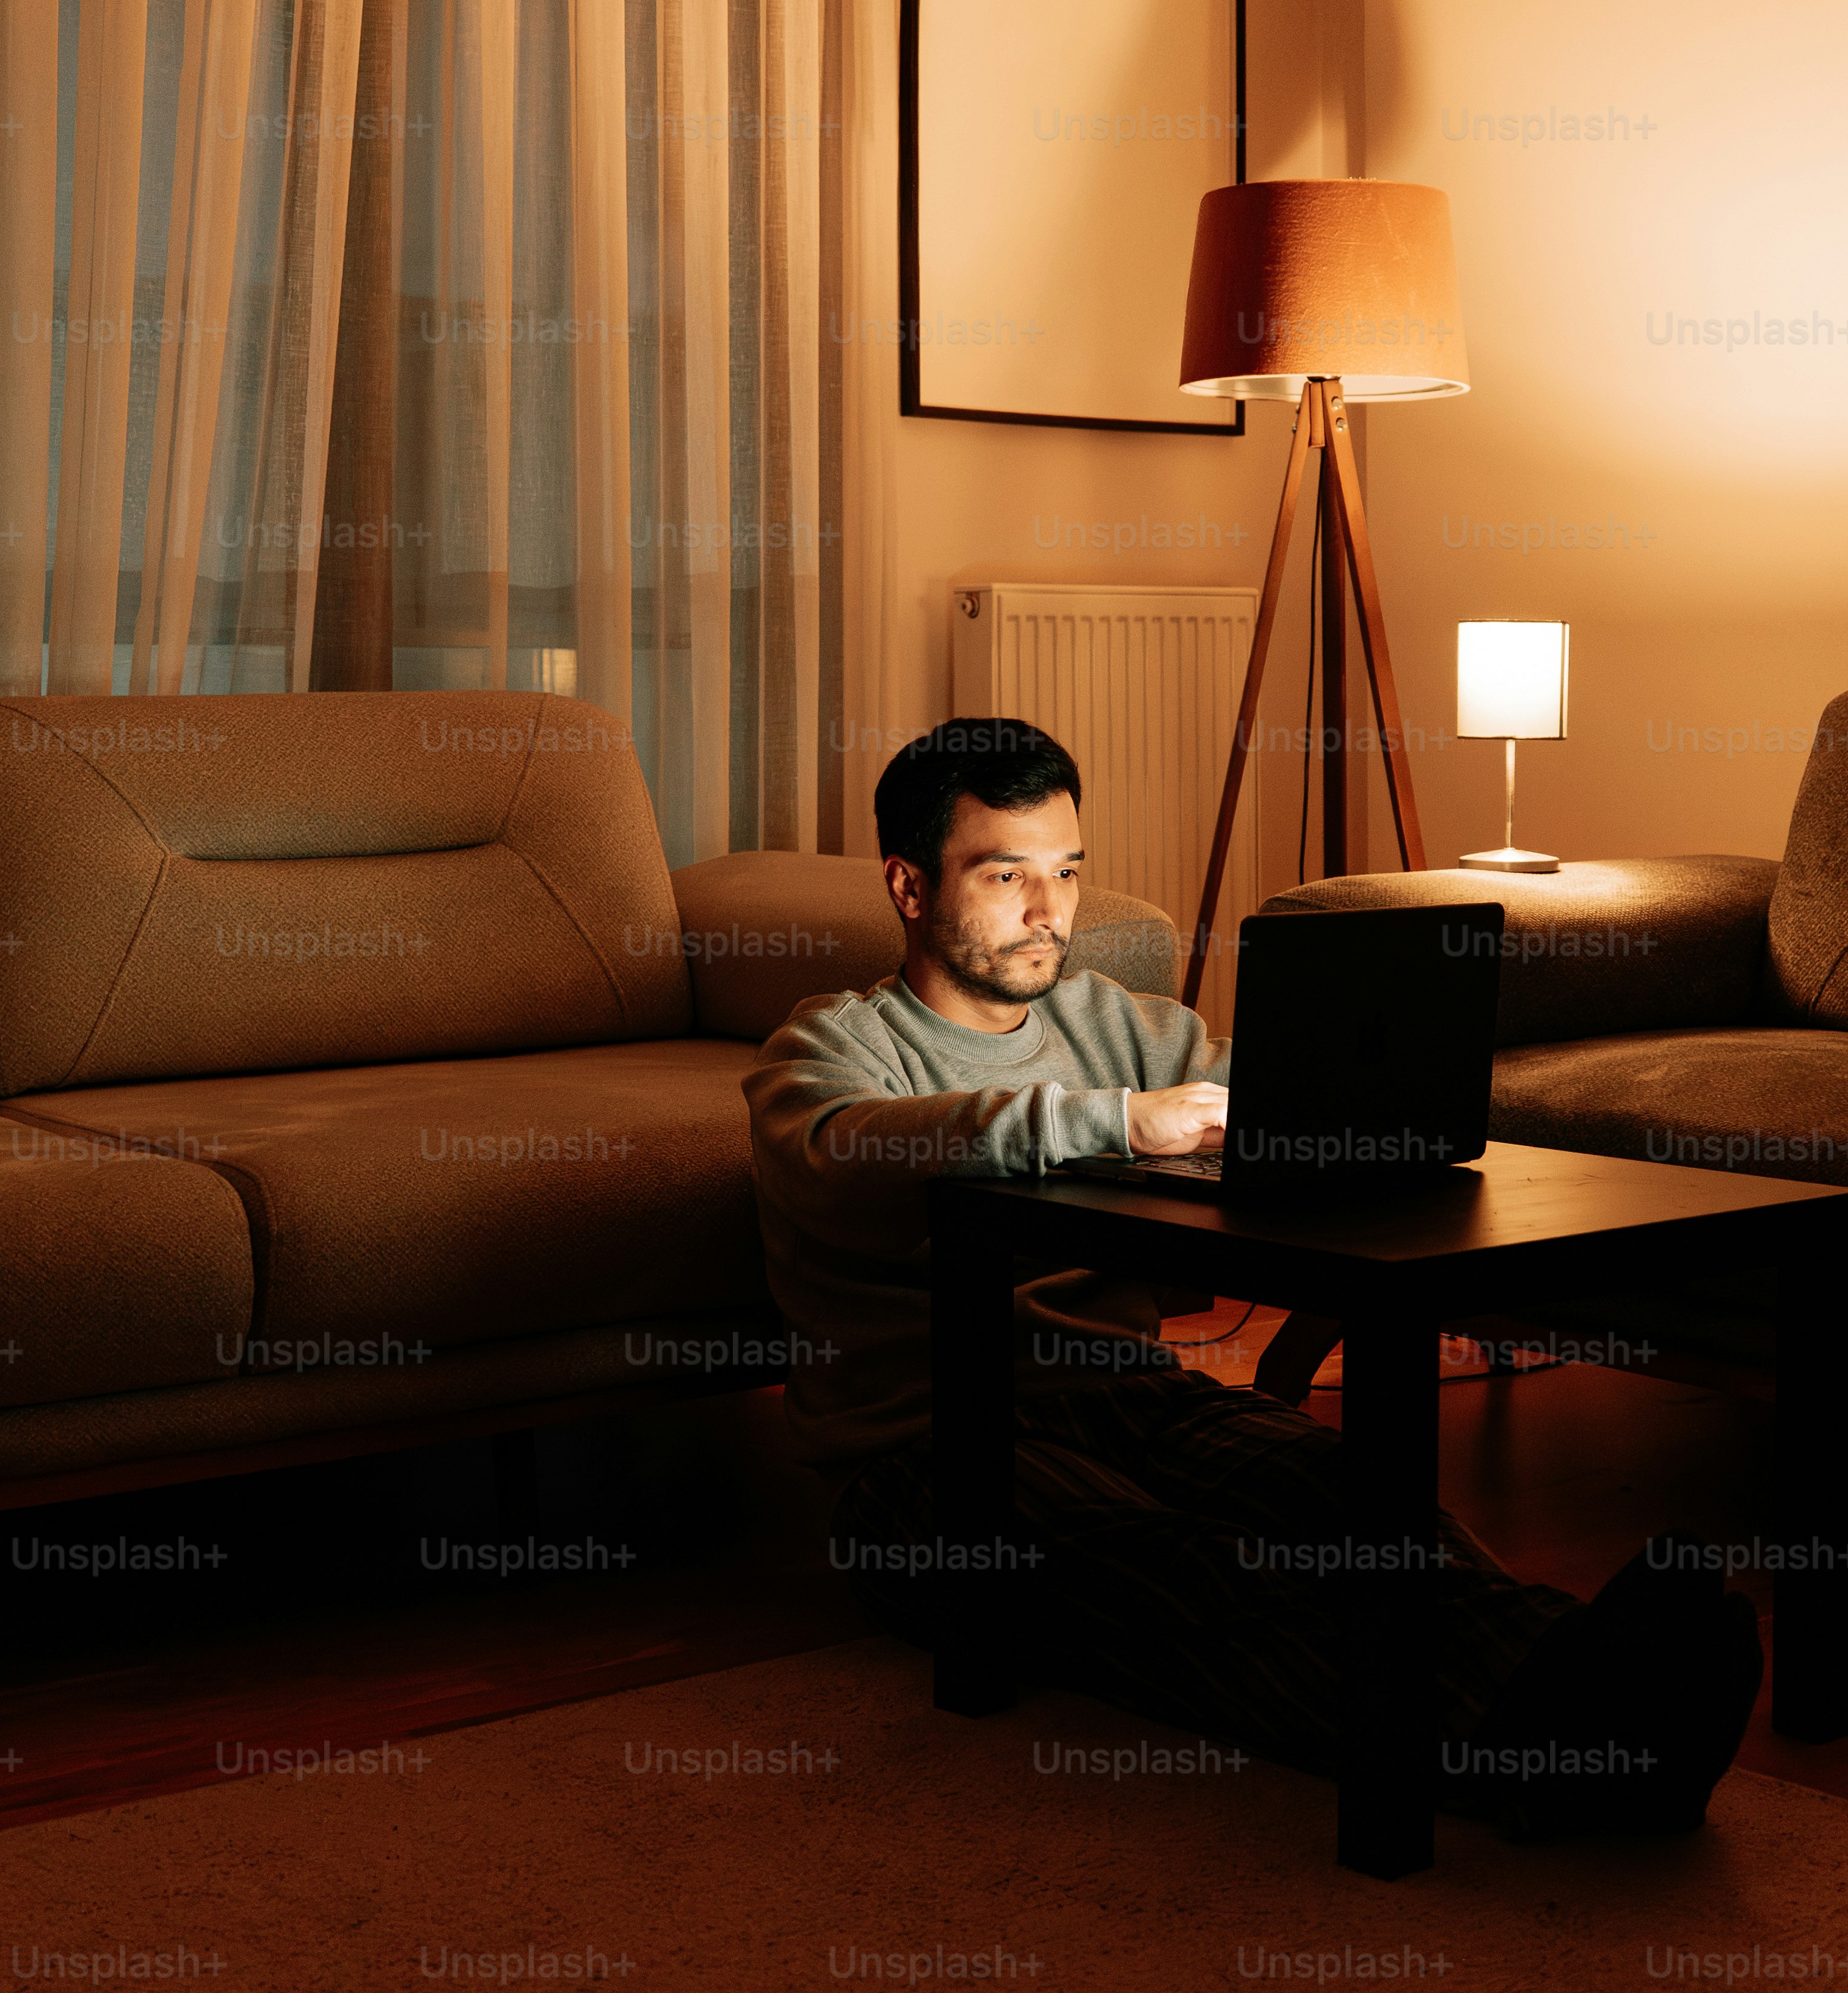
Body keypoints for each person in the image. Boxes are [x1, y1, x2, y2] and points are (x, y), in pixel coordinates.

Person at [743, 715, 1760, 1837]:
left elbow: (1271, 1096)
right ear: (909, 885)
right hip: (928, 1454)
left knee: (1352, 1500)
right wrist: (1114, 1121)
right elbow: (843, 1156)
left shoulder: (1120, 1025)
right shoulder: (833, 1047)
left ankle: (1585, 1675)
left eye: (1068, 871)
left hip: (1136, 1396)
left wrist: (1347, 1115)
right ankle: (1552, 1744)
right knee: (1182, 1572)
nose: (1050, 911)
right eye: (1006, 875)